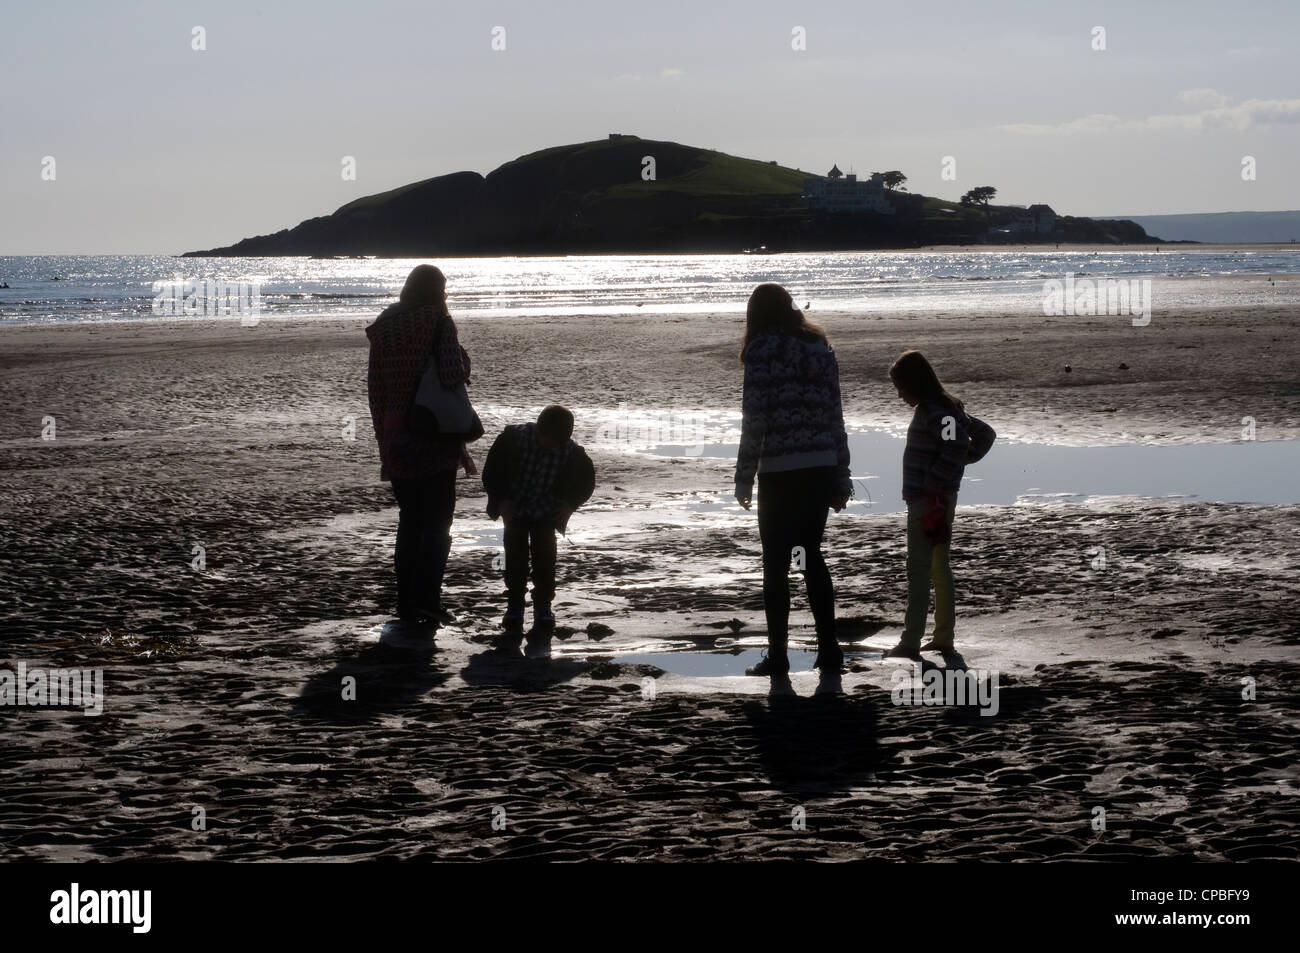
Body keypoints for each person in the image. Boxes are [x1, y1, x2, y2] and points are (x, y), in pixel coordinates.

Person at [735, 283, 852, 676]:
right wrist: (842, 472)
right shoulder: (820, 347)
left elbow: (756, 417)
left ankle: (779, 655)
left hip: (780, 470)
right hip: (819, 463)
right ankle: (829, 649)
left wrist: (744, 474)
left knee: (775, 564)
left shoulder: (761, 350)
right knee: (811, 556)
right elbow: (835, 412)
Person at [366, 264, 477, 626]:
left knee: (410, 520)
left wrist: (385, 434)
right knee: (438, 521)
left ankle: (406, 601)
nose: (445, 296)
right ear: (435, 291)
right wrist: (464, 359)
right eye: (443, 289)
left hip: (397, 431)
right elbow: (451, 374)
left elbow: (376, 388)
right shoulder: (438, 321)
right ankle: (428, 598)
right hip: (432, 431)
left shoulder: (385, 326)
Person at [885, 350, 995, 660]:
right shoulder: (947, 408)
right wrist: (956, 467)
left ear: (915, 385)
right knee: (938, 566)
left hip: (928, 500)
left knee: (918, 569)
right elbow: (982, 435)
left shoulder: (934, 412)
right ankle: (943, 637)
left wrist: (937, 478)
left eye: (901, 388)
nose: (899, 395)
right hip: (941, 497)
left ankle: (910, 641)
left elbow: (959, 442)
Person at [482, 405, 595, 636]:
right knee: (515, 558)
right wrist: (500, 500)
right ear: (539, 431)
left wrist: (570, 505)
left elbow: (587, 480)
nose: (554, 446)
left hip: (546, 511)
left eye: (560, 442)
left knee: (545, 560)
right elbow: (491, 472)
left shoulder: (570, 452)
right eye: (551, 440)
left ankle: (543, 605)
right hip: (515, 508)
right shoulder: (513, 440)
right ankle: (515, 604)